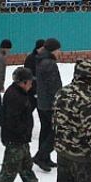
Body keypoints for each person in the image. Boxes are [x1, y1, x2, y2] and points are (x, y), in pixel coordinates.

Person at [0, 67, 53, 182]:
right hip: (15, 139)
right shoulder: (14, 96)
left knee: (26, 167)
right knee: (10, 168)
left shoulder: (19, 93)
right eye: (30, 82)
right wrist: (21, 133)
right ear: (23, 82)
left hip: (21, 139)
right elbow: (13, 120)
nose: (31, 84)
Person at [33, 38, 62, 172]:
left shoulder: (40, 60)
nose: (59, 53)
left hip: (42, 102)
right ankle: (41, 156)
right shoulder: (49, 63)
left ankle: (45, 158)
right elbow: (53, 85)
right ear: (52, 50)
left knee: (45, 130)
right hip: (50, 103)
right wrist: (59, 101)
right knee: (55, 132)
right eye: (58, 50)